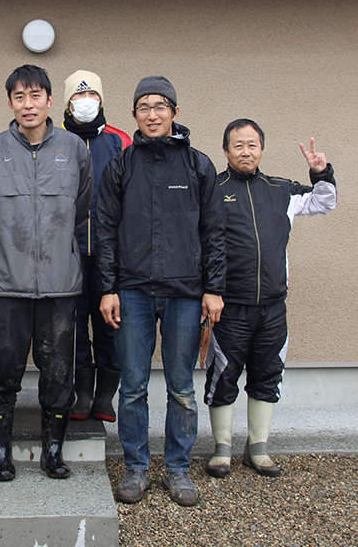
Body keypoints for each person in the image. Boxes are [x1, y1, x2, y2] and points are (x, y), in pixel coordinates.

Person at [97, 75, 225, 506]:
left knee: (181, 387)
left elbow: (214, 232)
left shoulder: (198, 165)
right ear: (134, 114)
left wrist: (213, 288)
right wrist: (108, 287)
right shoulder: (122, 164)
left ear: (174, 111)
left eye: (160, 106)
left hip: (186, 293)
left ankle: (177, 469)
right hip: (131, 290)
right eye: (143, 107)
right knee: (132, 385)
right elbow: (106, 232)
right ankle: (136, 468)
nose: (152, 114)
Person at [0, 64, 93, 482]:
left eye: (35, 95)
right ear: (10, 104)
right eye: (19, 97)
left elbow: (82, 207)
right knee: (3, 373)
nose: (28, 104)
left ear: (50, 100)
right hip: (6, 284)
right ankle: (1, 453)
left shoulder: (75, 149)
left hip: (60, 284)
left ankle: (52, 452)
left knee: (58, 375)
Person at [204, 120, 336, 478]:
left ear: (261, 149)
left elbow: (324, 203)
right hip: (228, 306)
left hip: (273, 306)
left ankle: (258, 448)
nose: (245, 151)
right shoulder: (212, 189)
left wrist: (320, 172)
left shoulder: (281, 190)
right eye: (237, 145)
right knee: (223, 374)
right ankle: (222, 448)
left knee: (267, 373)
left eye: (252, 144)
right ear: (226, 150)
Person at [60, 70, 131, 424]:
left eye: (92, 96)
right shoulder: (56, 141)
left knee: (110, 325)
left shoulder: (120, 141)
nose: (86, 103)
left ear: (102, 101)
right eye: (78, 96)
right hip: (68, 251)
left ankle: (105, 395)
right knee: (73, 325)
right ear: (67, 103)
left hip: (109, 252)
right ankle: (82, 392)